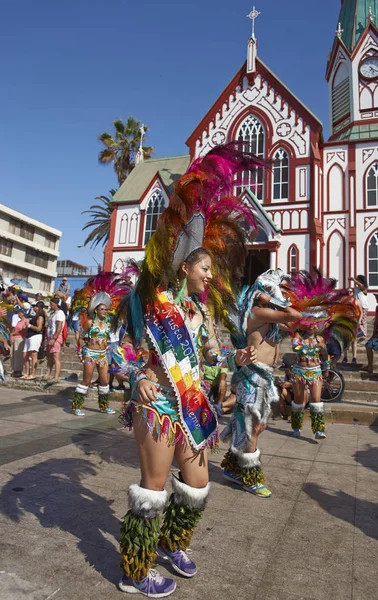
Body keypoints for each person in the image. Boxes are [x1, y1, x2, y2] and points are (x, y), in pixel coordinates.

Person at [118, 143, 263, 597]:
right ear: (185, 266)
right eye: (205, 266)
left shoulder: (201, 315)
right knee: (154, 490)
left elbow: (213, 358)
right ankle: (134, 571)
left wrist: (230, 367)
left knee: (198, 484)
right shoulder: (153, 304)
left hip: (194, 408)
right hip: (159, 404)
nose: (210, 273)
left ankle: (172, 541)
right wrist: (136, 375)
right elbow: (117, 345)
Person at [221, 269, 302, 497]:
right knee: (253, 428)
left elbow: (296, 323)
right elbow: (294, 315)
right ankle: (251, 477)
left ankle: (234, 469)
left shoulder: (268, 317)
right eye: (275, 291)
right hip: (252, 377)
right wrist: (272, 299)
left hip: (262, 378)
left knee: (256, 426)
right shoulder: (258, 312)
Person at [284, 270, 359, 439]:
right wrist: (307, 345)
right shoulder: (297, 337)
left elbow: (325, 356)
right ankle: (296, 426)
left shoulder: (320, 339)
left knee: (316, 401)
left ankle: (318, 429)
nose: (312, 326)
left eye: (314, 323)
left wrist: (323, 352)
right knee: (298, 401)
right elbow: (296, 349)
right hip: (299, 371)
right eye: (309, 323)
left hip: (315, 371)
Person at [70, 272, 132, 415]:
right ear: (96, 310)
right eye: (102, 309)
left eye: (106, 309)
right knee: (86, 379)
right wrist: (81, 351)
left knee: (104, 382)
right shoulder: (90, 323)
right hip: (90, 354)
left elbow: (112, 337)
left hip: (103, 355)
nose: (105, 311)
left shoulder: (109, 324)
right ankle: (77, 406)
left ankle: (104, 406)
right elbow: (81, 337)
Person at [44, 297, 66, 382]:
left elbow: (59, 326)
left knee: (56, 356)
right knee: (49, 356)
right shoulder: (53, 313)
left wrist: (54, 338)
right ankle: (48, 374)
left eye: (51, 303)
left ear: (56, 304)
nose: (50, 305)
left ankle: (56, 376)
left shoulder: (60, 313)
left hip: (56, 336)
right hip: (50, 335)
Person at [22, 301, 46, 380]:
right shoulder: (34, 316)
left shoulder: (40, 317)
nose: (34, 308)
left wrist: (29, 325)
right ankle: (27, 373)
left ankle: (33, 373)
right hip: (29, 336)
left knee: (33, 354)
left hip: (35, 336)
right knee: (25, 354)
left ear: (39, 307)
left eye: (35, 306)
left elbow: (38, 328)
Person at [342, 288, 363, 364]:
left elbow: (361, 312)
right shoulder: (344, 302)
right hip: (345, 323)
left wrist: (359, 321)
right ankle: (345, 357)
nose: (348, 293)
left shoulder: (357, 301)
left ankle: (354, 357)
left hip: (354, 322)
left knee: (354, 340)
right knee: (345, 340)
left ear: (353, 293)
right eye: (347, 291)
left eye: (350, 291)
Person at [10, 307, 30, 377]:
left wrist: (14, 333)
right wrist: (12, 335)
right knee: (14, 355)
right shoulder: (18, 322)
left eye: (19, 312)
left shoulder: (26, 321)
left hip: (21, 338)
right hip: (15, 338)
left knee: (19, 355)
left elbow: (24, 330)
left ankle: (18, 370)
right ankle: (15, 369)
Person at [349, 275, 368, 340]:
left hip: (363, 306)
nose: (357, 281)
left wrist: (353, 279)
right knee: (357, 320)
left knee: (363, 320)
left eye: (358, 279)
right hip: (357, 305)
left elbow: (361, 285)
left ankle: (364, 334)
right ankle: (359, 332)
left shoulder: (364, 287)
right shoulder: (356, 289)